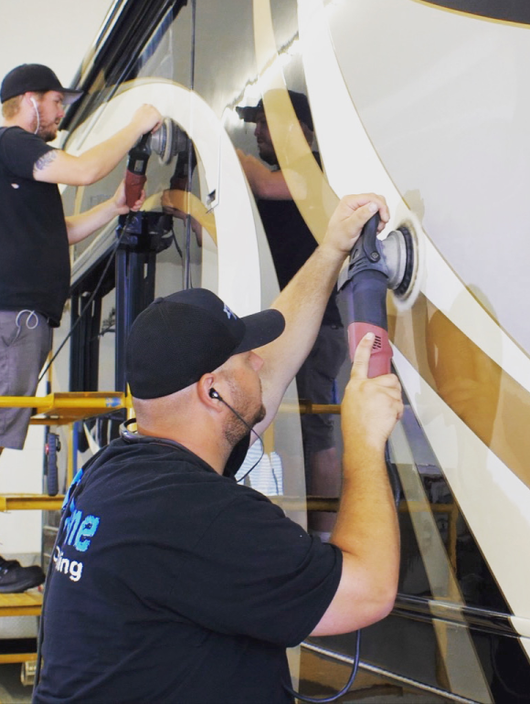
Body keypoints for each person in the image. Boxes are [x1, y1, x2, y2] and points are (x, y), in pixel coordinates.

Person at [33, 193, 402, 703]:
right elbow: (368, 591)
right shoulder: (193, 513)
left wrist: (331, 250)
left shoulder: (119, 469)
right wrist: (361, 437)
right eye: (244, 358)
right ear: (211, 392)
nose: (258, 362)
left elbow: (265, 374)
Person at [0, 63, 162, 592]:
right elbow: (85, 169)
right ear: (28, 102)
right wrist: (137, 124)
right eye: (54, 102)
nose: (60, 113)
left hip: (21, 320)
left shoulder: (18, 167)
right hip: (14, 320)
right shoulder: (14, 143)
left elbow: (60, 231)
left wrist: (114, 208)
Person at [237, 90, 347, 533]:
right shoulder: (278, 185)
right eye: (256, 123)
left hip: (319, 325)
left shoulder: (317, 171)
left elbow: (264, 183)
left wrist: (230, 155)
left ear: (303, 131)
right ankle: (299, 530)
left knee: (315, 430)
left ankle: (324, 539)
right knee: (286, 430)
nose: (258, 131)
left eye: (267, 122)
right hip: (286, 323)